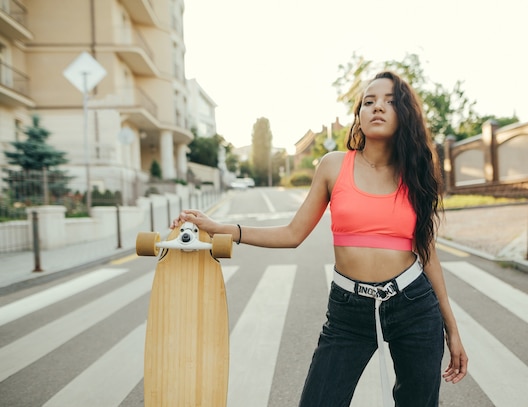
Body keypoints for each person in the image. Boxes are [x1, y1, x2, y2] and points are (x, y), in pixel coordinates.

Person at [172, 70, 468, 407]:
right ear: (358, 118)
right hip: (349, 309)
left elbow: (427, 252)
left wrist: (452, 328)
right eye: (368, 102)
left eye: (390, 101)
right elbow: (292, 234)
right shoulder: (333, 166)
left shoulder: (415, 172)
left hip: (413, 305)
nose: (377, 107)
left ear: (405, 114)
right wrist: (224, 228)